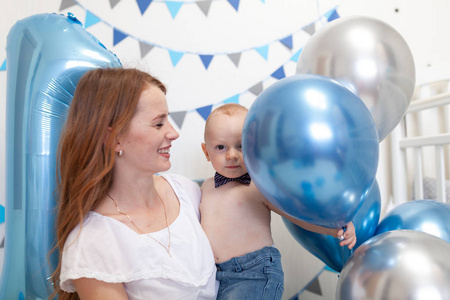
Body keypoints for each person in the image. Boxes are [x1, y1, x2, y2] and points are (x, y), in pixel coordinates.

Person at [50, 68, 217, 300]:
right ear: (114, 138)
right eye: (158, 124)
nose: (173, 133)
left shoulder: (186, 191)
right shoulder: (92, 242)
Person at [200, 103, 356, 300]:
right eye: (221, 147)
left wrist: (332, 229)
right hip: (217, 275)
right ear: (207, 152)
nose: (232, 155)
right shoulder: (205, 188)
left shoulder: (258, 185)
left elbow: (295, 215)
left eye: (241, 146)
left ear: (254, 147)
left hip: (255, 273)